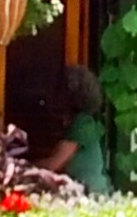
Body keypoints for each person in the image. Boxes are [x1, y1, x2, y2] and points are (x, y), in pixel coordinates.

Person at [33, 65, 110, 194]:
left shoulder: (82, 123)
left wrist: (27, 166)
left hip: (89, 193)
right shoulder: (79, 122)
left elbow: (55, 164)